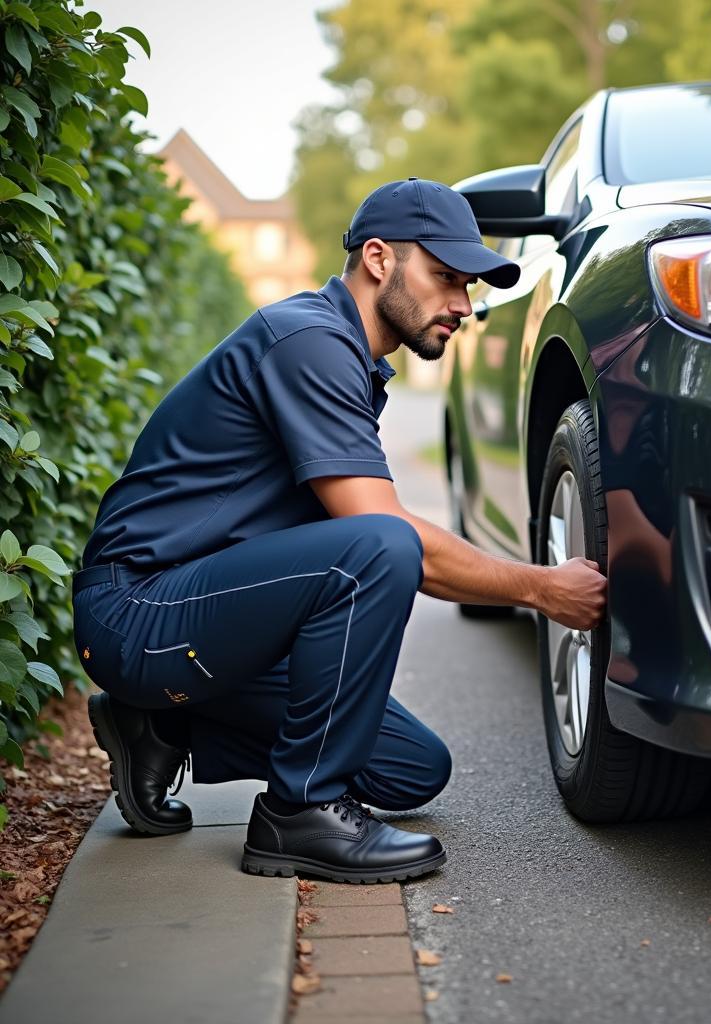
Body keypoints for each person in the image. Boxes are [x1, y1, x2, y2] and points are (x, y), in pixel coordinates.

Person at [72, 177, 607, 884]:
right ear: (379, 259)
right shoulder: (309, 342)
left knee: (413, 768)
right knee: (380, 545)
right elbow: (382, 539)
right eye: (445, 277)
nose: (462, 305)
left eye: (468, 285)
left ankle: (162, 724)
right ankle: (299, 813)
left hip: (207, 616)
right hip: (137, 613)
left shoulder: (350, 359)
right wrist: (541, 588)